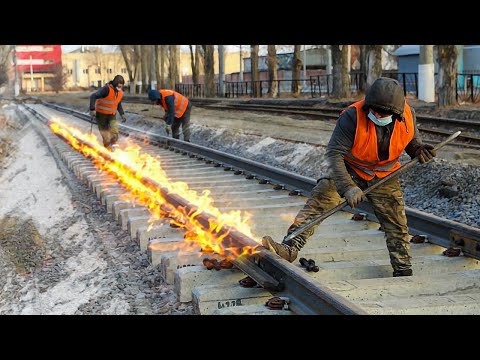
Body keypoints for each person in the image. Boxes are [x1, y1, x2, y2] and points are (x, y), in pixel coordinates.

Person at [262, 77, 436, 277]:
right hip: (350, 169)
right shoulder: (352, 116)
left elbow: (411, 142)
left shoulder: (407, 115)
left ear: (396, 113)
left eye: (383, 113)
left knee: (396, 222)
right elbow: (334, 153)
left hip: (385, 175)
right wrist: (348, 187)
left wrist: (419, 151)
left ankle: (402, 267)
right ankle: (289, 247)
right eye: (374, 111)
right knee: (321, 199)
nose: (378, 115)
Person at [89, 75, 127, 150]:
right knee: (106, 136)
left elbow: (118, 103)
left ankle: (114, 144)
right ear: (115, 84)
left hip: (112, 115)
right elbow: (93, 96)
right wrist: (92, 109)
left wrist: (122, 114)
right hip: (101, 115)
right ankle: (107, 149)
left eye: (121, 86)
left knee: (115, 130)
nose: (120, 88)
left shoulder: (119, 92)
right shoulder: (106, 89)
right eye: (118, 86)